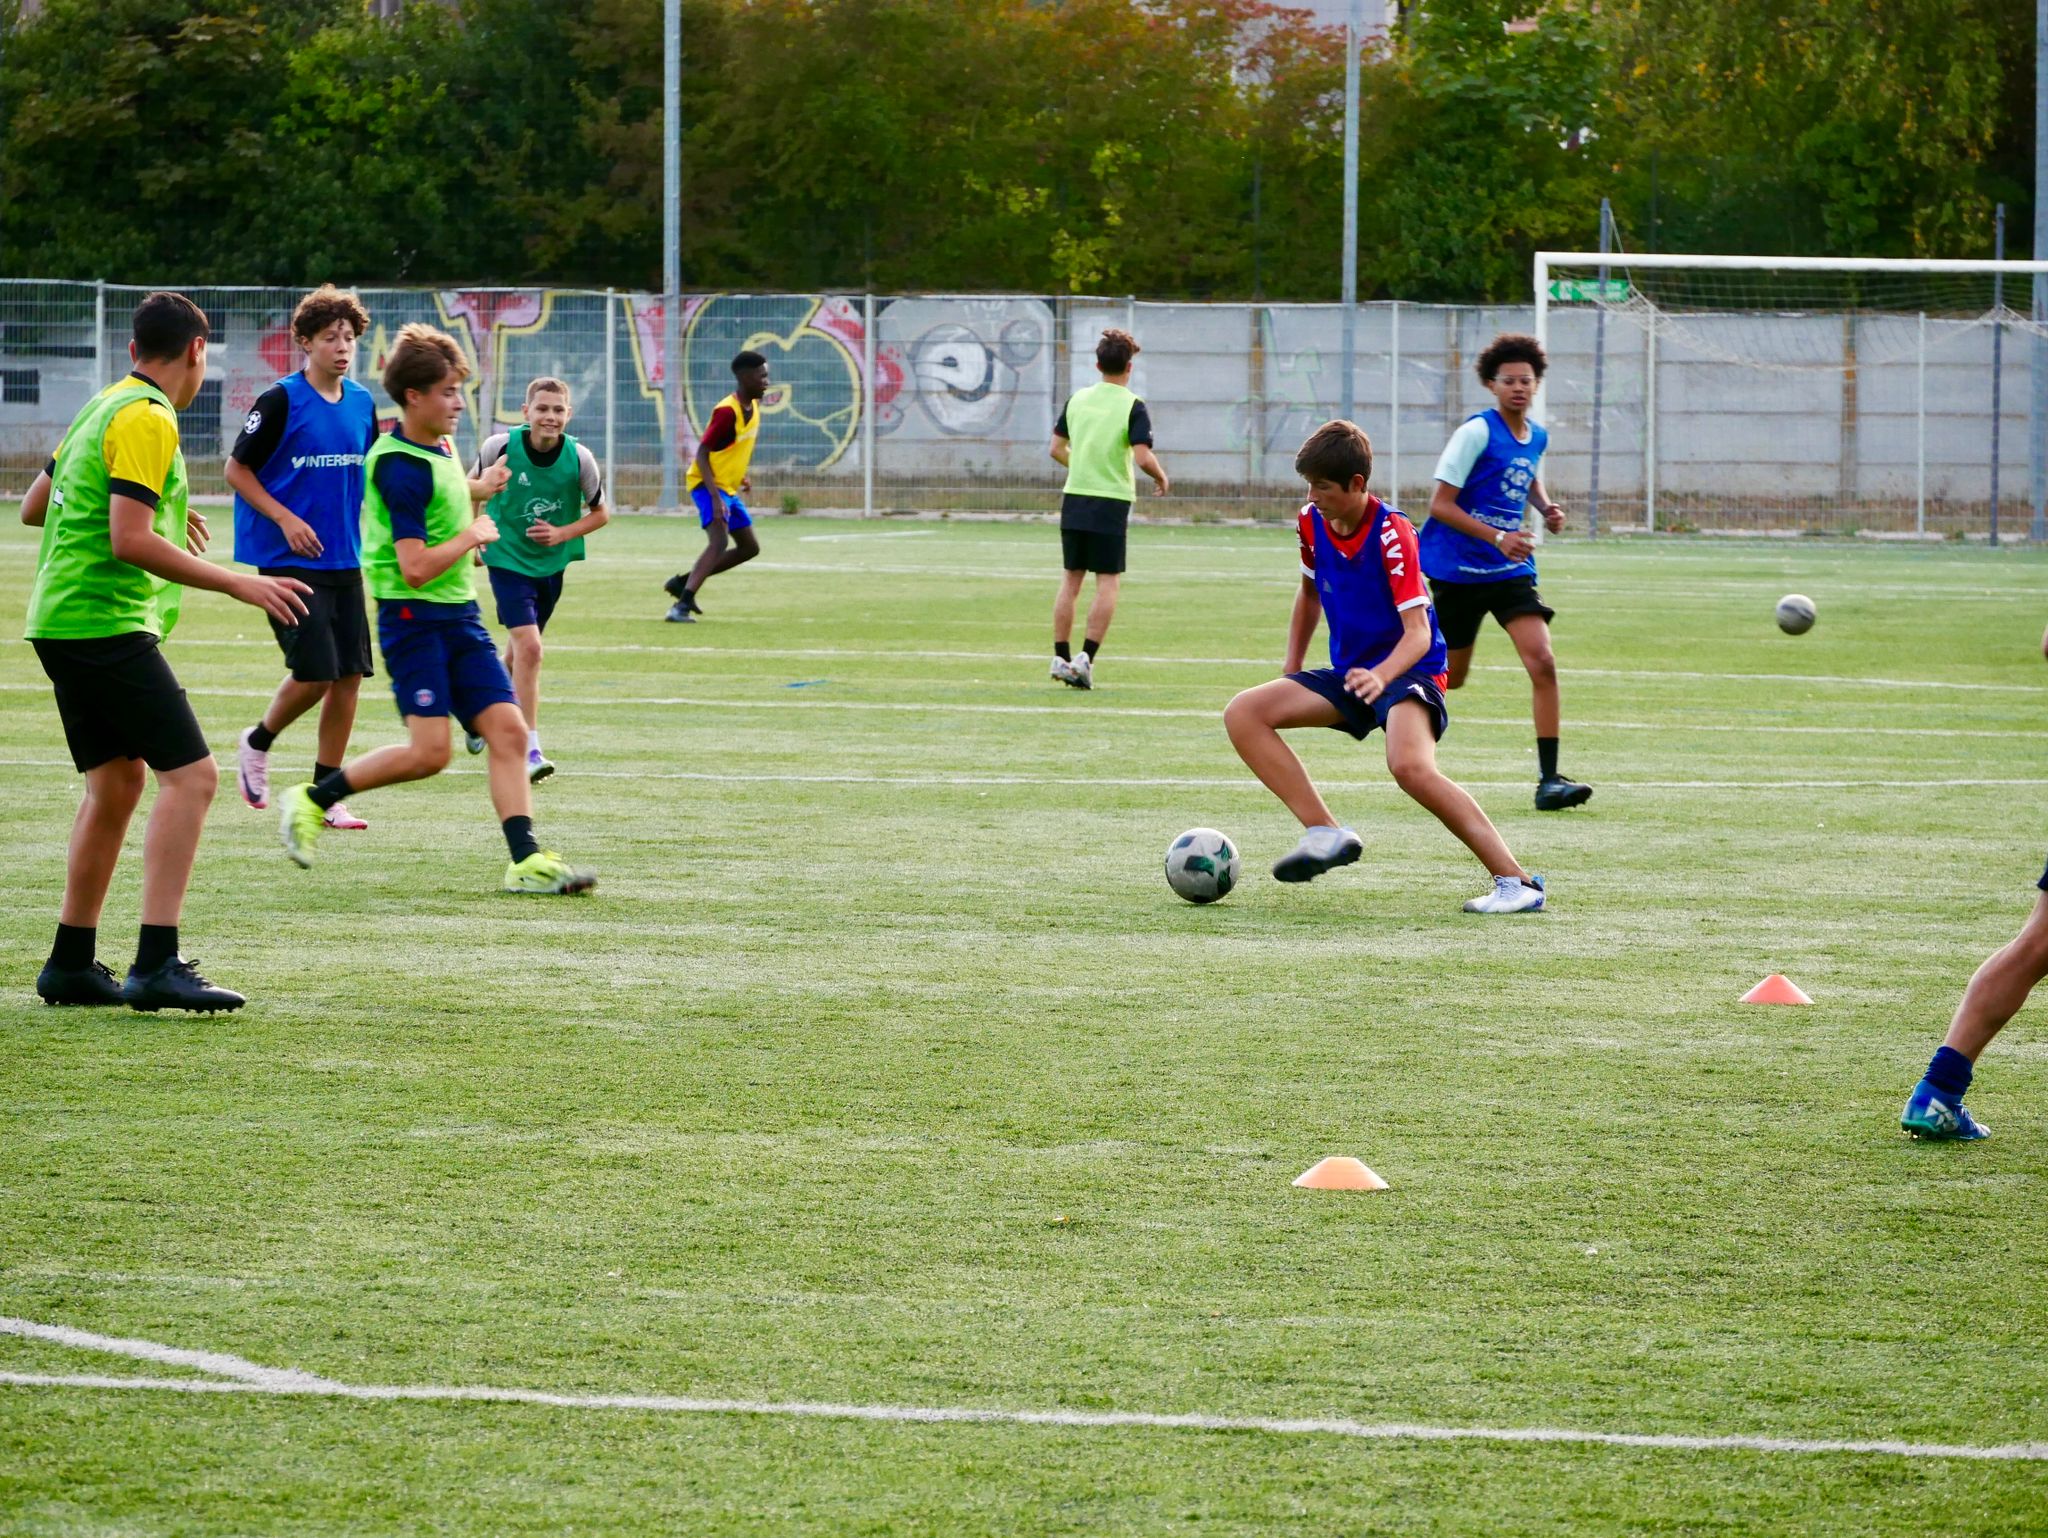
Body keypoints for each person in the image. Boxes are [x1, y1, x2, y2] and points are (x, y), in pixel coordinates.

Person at [23, 291, 311, 1010]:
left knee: (117, 786)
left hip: (61, 622)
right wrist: (241, 584)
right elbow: (126, 538)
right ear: (195, 353)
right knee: (192, 778)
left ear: (131, 351)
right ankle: (157, 960)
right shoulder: (150, 418)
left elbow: (38, 507)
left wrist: (157, 524)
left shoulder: (105, 403)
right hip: (102, 623)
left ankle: (70, 963)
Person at [273, 324, 595, 894]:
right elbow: (415, 566)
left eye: (460, 391)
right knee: (430, 754)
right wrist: (473, 535)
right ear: (414, 396)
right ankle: (313, 797)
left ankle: (526, 860)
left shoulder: (439, 448)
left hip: (459, 617)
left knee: (511, 732)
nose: (458, 403)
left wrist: (479, 489)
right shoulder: (399, 466)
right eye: (447, 392)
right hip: (413, 620)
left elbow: (444, 494)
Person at [1221, 420, 1546, 914]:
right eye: (1309, 485)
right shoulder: (1310, 522)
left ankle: (1517, 883)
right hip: (1355, 673)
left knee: (1411, 767)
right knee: (1244, 713)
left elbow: (1417, 634)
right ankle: (1325, 831)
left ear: (1357, 484)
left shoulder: (1393, 534)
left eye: (1323, 486)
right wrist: (1291, 666)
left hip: (1410, 671)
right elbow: (1309, 593)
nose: (1314, 496)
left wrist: (1382, 676)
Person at [1419, 332, 1591, 812]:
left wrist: (1546, 506)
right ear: (1491, 385)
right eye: (1508, 380)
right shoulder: (1475, 432)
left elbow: (1526, 472)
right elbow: (1440, 505)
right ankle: (1392, 697)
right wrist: (1497, 536)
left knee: (1543, 661)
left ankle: (1549, 780)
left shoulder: (1537, 435)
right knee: (1450, 679)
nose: (1518, 387)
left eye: (1526, 380)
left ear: (1536, 385)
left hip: (1510, 570)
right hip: (1457, 571)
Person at [228, 284, 379, 829]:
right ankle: (257, 741)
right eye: (330, 337)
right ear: (306, 342)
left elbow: (370, 475)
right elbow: (236, 470)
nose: (342, 347)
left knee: (349, 678)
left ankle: (326, 793)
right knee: (316, 675)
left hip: (345, 557)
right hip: (288, 559)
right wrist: (286, 518)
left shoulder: (363, 403)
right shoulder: (280, 401)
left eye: (349, 337)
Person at [468, 376, 610, 782]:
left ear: (569, 414)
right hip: (507, 556)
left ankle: (479, 708)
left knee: (520, 651)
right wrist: (474, 534)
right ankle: (529, 748)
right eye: (542, 409)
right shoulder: (500, 447)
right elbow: (471, 488)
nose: (550, 417)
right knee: (530, 647)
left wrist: (563, 533)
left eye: (558, 410)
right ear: (526, 411)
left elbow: (601, 512)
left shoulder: (579, 458)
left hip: (550, 565)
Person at [1048, 327, 1168, 690]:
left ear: (1097, 364)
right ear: (1129, 367)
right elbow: (1142, 456)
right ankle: (1085, 659)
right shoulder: (1133, 405)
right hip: (1110, 500)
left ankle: (1060, 655)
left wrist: (1082, 465)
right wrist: (1161, 477)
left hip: (1075, 497)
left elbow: (1056, 448)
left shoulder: (1077, 399)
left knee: (1071, 578)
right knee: (1107, 581)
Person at [664, 350, 769, 622]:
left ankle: (684, 582)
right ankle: (681, 607)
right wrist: (715, 497)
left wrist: (740, 475)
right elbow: (702, 452)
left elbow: (732, 448)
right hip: (706, 484)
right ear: (745, 378)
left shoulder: (754, 407)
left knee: (749, 548)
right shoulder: (726, 411)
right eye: (762, 376)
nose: (767, 381)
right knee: (719, 540)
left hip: (727, 488)